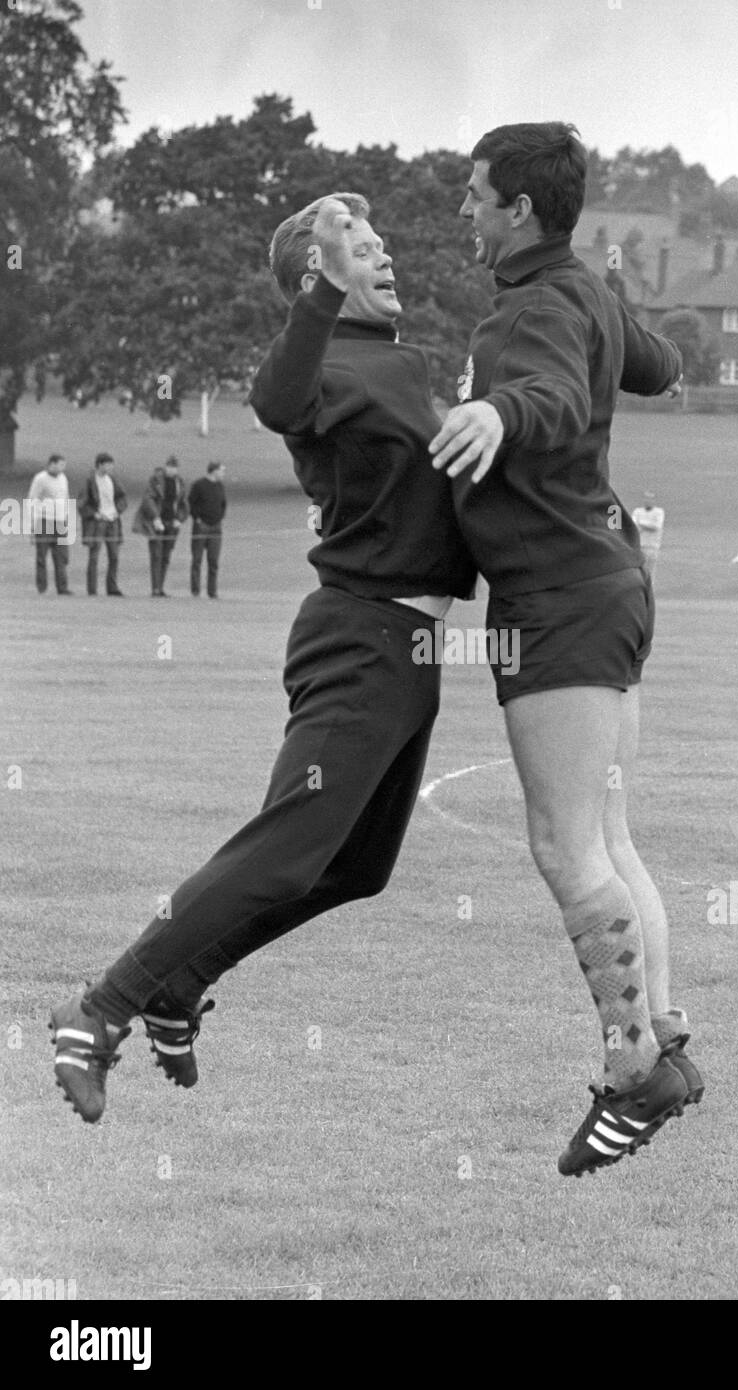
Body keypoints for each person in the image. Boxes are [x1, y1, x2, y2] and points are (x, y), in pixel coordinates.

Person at [50, 194, 476, 1124]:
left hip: (407, 648)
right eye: (359, 249)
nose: (384, 255)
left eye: (379, 241)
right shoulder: (322, 362)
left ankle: (179, 983)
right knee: (284, 848)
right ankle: (101, 1007)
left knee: (356, 866)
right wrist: (321, 287)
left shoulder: (399, 368)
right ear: (318, 280)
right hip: (360, 637)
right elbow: (275, 400)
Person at [429, 123, 697, 1177]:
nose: (463, 209)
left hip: (560, 599)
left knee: (563, 847)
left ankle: (632, 1074)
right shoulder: (579, 289)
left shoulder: (537, 306)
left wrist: (500, 408)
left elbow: (540, 392)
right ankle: (662, 1040)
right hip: (606, 582)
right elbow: (660, 366)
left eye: (474, 193)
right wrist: (612, 323)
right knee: (607, 838)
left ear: (519, 212)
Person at [132, 459, 187, 596]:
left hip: (171, 524)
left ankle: (161, 587)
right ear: (165, 467)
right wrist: (155, 517)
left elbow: (183, 504)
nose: (172, 470)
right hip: (156, 524)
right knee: (156, 555)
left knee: (166, 556)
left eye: (174, 467)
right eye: (170, 467)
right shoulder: (156, 481)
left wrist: (179, 519)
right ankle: (155, 588)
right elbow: (148, 499)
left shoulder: (179, 483)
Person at [77, 453, 127, 596]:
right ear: (99, 465)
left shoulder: (113, 480)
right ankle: (92, 589)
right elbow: (82, 503)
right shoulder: (90, 481)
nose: (111, 467)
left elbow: (122, 497)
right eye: (108, 464)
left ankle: (112, 588)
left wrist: (118, 510)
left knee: (114, 556)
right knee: (94, 556)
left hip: (113, 522)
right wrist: (94, 514)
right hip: (98, 523)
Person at [26, 454, 73, 594]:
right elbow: (31, 500)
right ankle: (42, 587)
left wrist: (67, 518)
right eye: (60, 465)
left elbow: (66, 498)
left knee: (61, 556)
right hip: (44, 520)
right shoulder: (40, 479)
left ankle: (62, 587)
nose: (63, 468)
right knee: (42, 556)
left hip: (60, 521)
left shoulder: (63, 478)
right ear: (52, 464)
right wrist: (32, 526)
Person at [188, 461, 227, 598]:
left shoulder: (220, 486)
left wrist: (220, 517)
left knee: (213, 561)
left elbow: (223, 504)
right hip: (201, 526)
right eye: (221, 471)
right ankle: (195, 590)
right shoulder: (199, 485)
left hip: (216, 527)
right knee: (197, 560)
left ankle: (212, 591)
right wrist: (197, 518)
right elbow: (191, 503)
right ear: (213, 471)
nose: (223, 474)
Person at [631, 492, 665, 579]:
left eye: (650, 499)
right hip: (638, 546)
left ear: (654, 501)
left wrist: (641, 523)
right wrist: (646, 524)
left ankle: (648, 591)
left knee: (649, 573)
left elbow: (656, 526)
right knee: (638, 572)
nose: (648, 501)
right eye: (646, 499)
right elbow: (633, 525)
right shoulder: (637, 511)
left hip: (652, 547)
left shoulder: (659, 512)